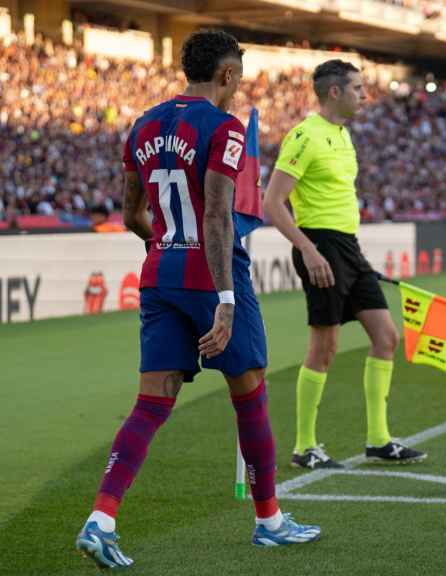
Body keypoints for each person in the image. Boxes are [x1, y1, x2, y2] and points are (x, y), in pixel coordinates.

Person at [74, 30, 319, 570]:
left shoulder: (142, 125)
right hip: (212, 278)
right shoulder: (224, 128)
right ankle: (270, 521)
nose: (238, 89)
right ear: (227, 75)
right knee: (250, 393)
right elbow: (215, 213)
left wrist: (165, 247)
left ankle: (102, 519)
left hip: (160, 274)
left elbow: (131, 214)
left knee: (151, 404)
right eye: (239, 78)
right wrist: (226, 298)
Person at [263, 59, 426, 469]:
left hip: (348, 248)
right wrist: (309, 250)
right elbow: (272, 203)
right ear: (334, 92)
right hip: (320, 246)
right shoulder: (304, 136)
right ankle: (304, 447)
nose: (364, 95)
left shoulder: (343, 135)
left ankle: (378, 439)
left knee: (386, 337)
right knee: (325, 346)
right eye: (357, 88)